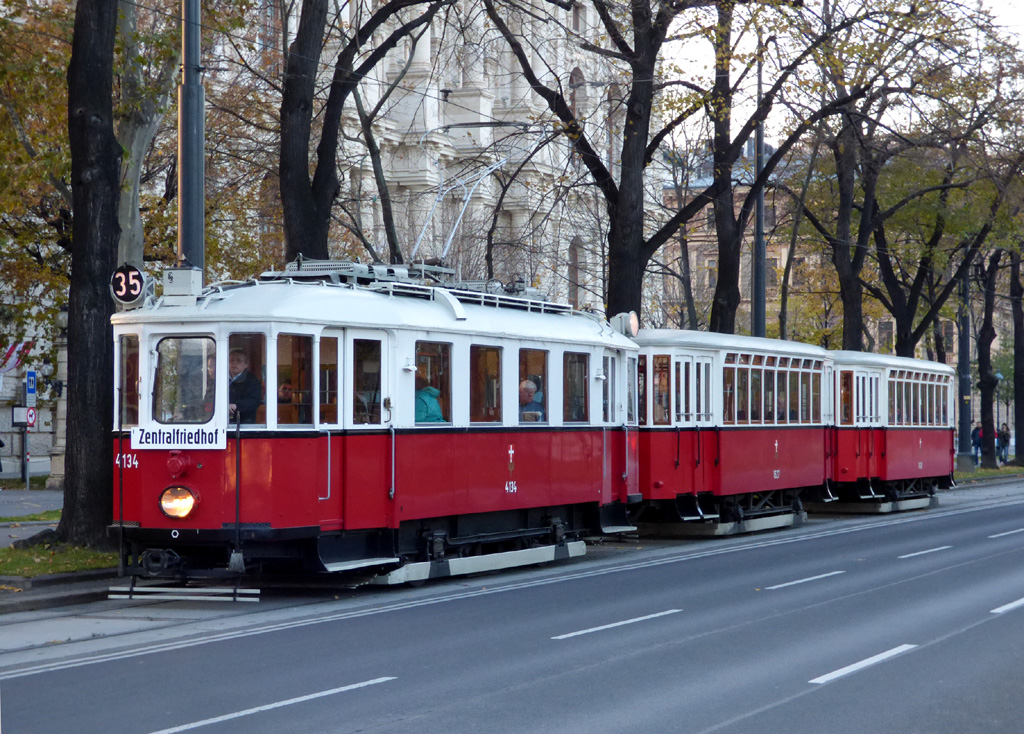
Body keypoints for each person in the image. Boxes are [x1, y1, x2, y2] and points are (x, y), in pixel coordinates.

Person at [228, 349, 262, 423]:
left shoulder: (252, 381)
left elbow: (254, 401)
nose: (234, 363)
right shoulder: (220, 378)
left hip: (244, 423)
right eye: (231, 360)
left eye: (239, 361)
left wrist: (236, 406)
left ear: (246, 364)